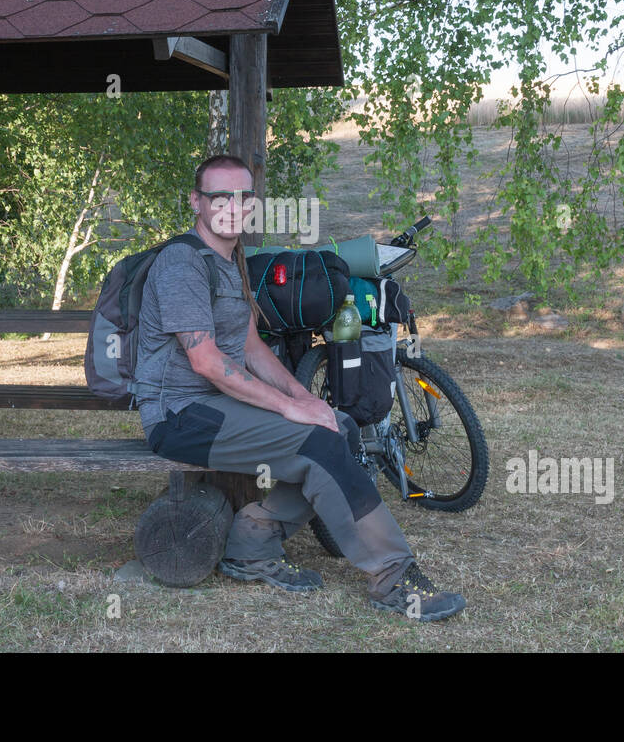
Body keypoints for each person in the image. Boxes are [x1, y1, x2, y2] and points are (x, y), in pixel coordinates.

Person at [131, 153, 465, 621]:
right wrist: (290, 412)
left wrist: (305, 399)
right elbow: (206, 361)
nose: (233, 205)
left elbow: (251, 348)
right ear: (196, 202)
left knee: (340, 427)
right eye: (219, 196)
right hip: (180, 414)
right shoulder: (182, 264)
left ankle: (251, 545)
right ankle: (394, 577)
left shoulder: (230, 262)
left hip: (216, 405)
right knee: (318, 446)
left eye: (244, 196)